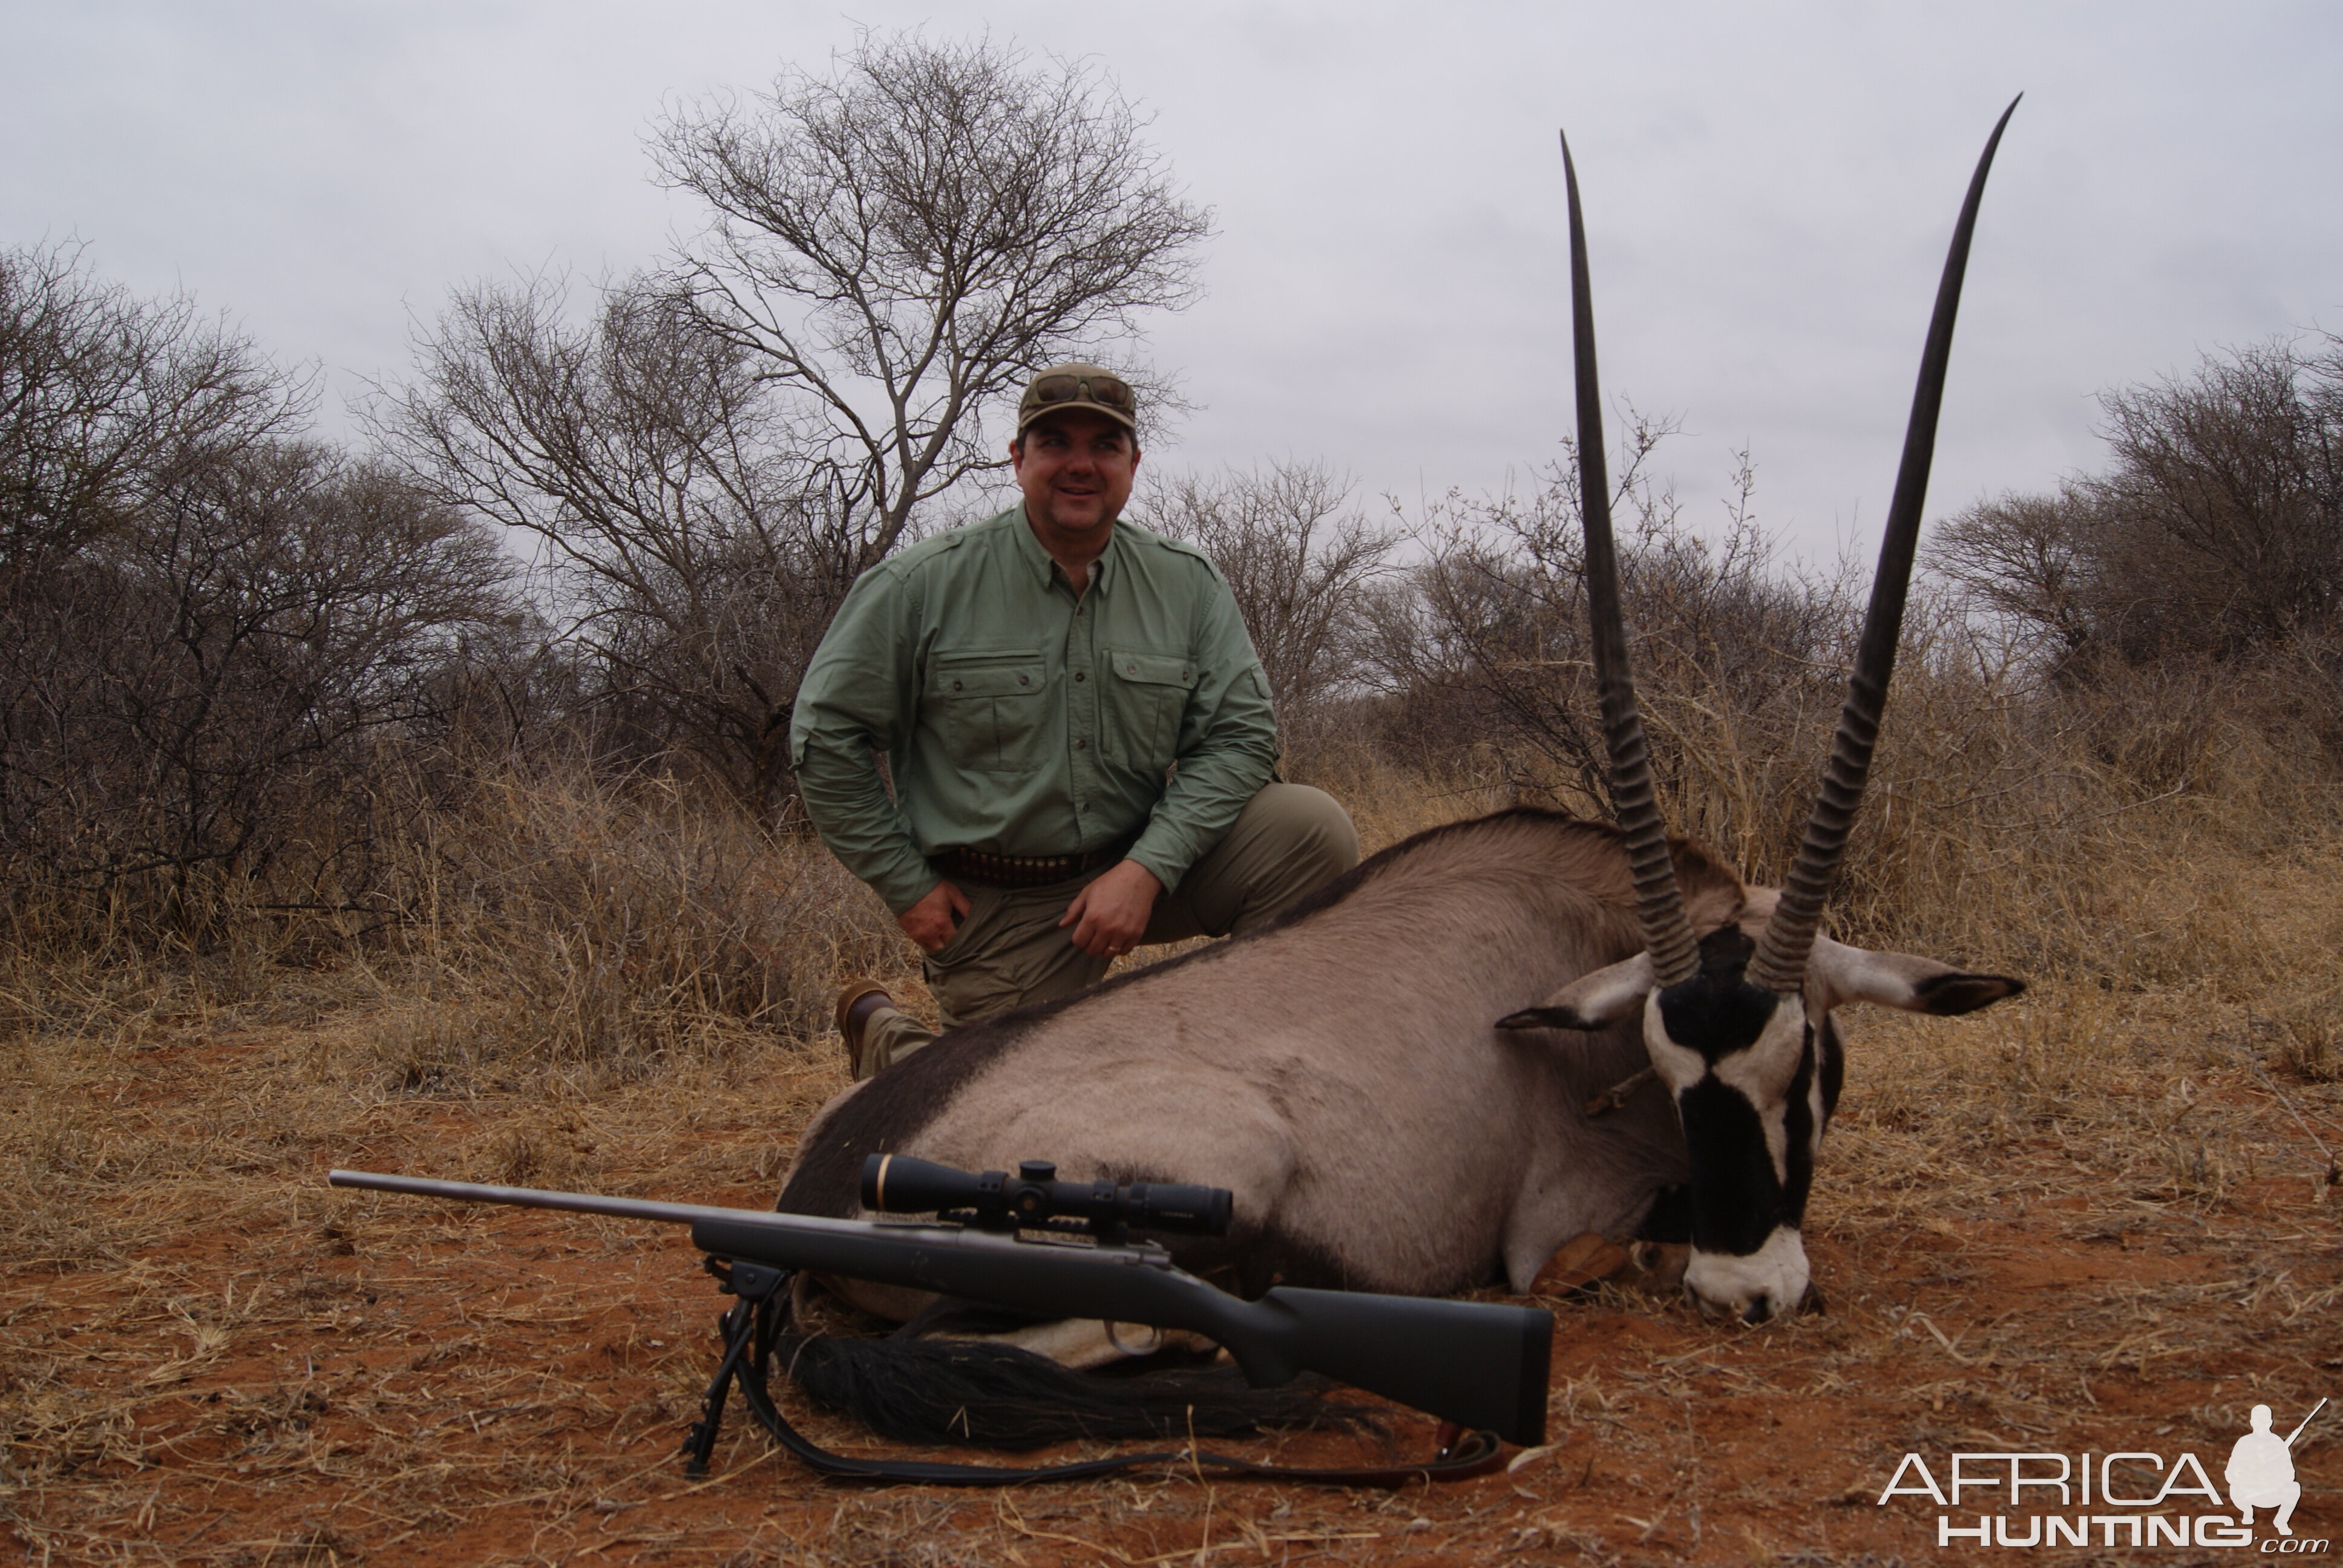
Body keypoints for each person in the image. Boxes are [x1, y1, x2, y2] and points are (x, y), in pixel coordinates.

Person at [789, 364, 1358, 1077]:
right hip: (1000, 903)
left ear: (1133, 464)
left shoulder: (1186, 583)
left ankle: (1234, 1070)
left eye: (1105, 446)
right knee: (1006, 1139)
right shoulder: (919, 586)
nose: (1081, 465)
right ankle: (889, 1044)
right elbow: (824, 739)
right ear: (1017, 458)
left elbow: (1239, 738)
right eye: (1055, 442)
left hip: (1138, 870)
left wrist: (1147, 868)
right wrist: (905, 884)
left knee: (1309, 830)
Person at [2226, 1403, 2304, 1535]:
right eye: (2258, 1421)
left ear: (2270, 1422)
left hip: (2272, 1492)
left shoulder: (2278, 1443)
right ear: (2252, 1422)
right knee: (2234, 1488)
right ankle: (2248, 1512)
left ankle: (2281, 1521)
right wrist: (2247, 1474)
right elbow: (2230, 1472)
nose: (2261, 1424)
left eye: (2264, 1421)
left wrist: (2273, 1472)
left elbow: (2290, 1474)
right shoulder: (2244, 1443)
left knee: (2294, 1488)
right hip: (2248, 1492)